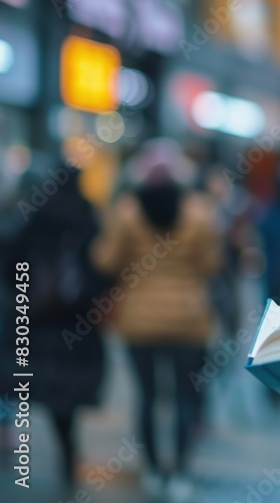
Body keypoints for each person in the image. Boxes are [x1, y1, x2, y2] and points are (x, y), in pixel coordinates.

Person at [90, 138, 222, 500]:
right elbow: (213, 264)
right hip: (189, 320)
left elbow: (105, 261)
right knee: (183, 398)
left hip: (139, 320)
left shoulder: (127, 211)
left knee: (147, 397)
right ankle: (180, 472)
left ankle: (151, 470)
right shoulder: (199, 211)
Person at [1, 165, 108, 486]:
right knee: (64, 400)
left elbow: (11, 259)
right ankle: (67, 453)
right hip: (74, 325)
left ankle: (8, 439)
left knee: (14, 382)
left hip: (33, 319)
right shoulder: (88, 217)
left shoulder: (33, 214)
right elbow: (103, 269)